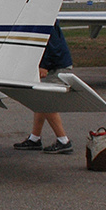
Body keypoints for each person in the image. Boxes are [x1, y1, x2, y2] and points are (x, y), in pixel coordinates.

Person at [14, 21, 73, 154]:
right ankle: (35, 139)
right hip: (56, 63)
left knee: (46, 103)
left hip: (55, 66)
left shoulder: (44, 18)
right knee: (40, 103)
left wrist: (44, 65)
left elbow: (52, 44)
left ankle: (64, 141)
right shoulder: (43, 16)